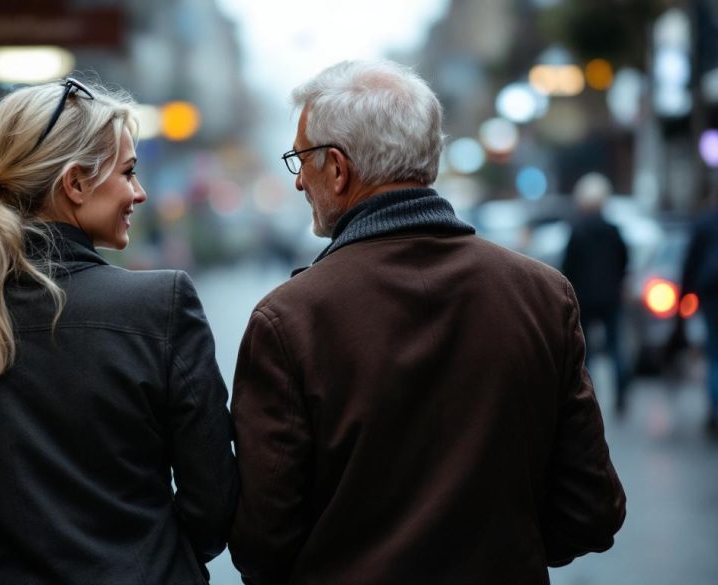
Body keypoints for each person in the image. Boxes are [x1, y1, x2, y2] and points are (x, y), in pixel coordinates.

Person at [228, 60, 626, 585]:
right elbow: (591, 511)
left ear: (340, 170)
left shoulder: (289, 321)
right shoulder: (543, 295)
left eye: (302, 160)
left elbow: (261, 541)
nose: (299, 178)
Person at [0, 77, 238, 584]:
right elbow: (213, 496)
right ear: (74, 184)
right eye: (128, 172)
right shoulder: (160, 306)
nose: (139, 193)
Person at [561, 173, 630, 413]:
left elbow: (567, 267)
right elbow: (624, 261)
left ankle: (588, 395)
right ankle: (622, 395)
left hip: (584, 298)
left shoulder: (577, 231)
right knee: (615, 347)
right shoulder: (614, 231)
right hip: (611, 297)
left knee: (585, 351)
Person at [680, 203, 718, 433]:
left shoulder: (705, 223)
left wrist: (685, 296)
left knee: (714, 356)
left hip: (712, 300)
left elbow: (691, 262)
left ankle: (715, 411)